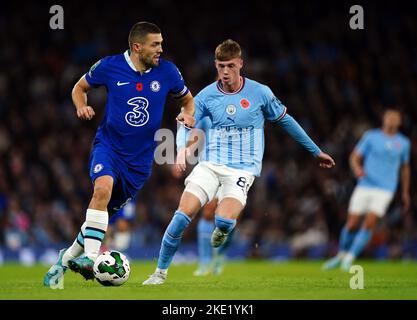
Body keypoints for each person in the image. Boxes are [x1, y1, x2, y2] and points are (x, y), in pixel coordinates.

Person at [143, 39, 335, 285]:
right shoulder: (206, 96)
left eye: (230, 66)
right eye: (221, 66)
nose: (225, 72)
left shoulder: (260, 93)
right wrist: (181, 150)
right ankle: (159, 273)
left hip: (242, 170)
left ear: (241, 64)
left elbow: (286, 121)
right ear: (215, 65)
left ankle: (222, 230)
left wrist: (315, 151)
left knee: (223, 220)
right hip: (210, 164)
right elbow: (185, 120)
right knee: (182, 216)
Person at [43, 21, 195, 288]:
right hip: (109, 147)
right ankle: (92, 258)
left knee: (97, 218)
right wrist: (82, 106)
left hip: (139, 165)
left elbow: (187, 100)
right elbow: (79, 88)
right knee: (102, 189)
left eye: (161, 43)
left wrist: (188, 114)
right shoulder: (109, 66)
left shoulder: (169, 72)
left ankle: (61, 263)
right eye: (155, 44)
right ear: (137, 47)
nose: (161, 49)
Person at [323, 109, 410, 271]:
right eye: (389, 117)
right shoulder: (371, 137)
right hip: (365, 185)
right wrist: (356, 169)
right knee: (351, 223)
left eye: (395, 118)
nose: (391, 120)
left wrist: (405, 191)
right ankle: (341, 254)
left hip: (385, 189)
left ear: (399, 122)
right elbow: (354, 157)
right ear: (384, 119)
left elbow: (405, 168)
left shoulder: (403, 143)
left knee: (369, 223)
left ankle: (349, 258)